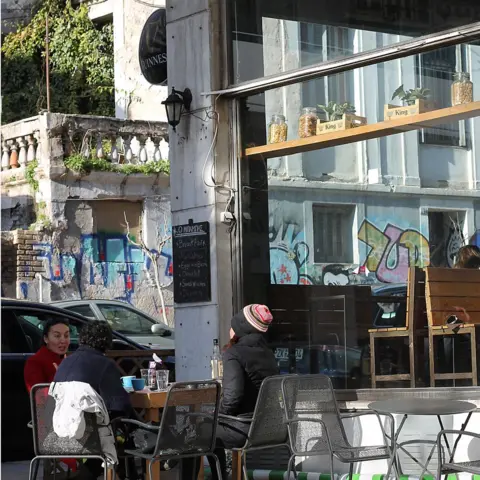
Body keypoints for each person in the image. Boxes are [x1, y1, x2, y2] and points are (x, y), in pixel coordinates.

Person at [183, 304, 279, 480]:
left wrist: (217, 414)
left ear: (241, 326)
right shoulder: (268, 354)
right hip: (270, 428)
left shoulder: (234, 354)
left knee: (196, 432)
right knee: (209, 430)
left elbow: (233, 398)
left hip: (243, 428)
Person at [53, 321, 136, 480]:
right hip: (90, 437)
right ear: (107, 342)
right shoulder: (104, 364)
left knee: (115, 434)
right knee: (124, 432)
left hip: (58, 433)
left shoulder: (66, 362)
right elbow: (120, 405)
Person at [24, 318, 70, 393]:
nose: (63, 340)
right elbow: (40, 400)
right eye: (57, 336)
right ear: (46, 339)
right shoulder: (35, 362)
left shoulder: (69, 359)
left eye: (66, 335)